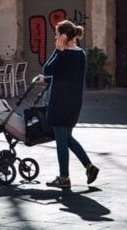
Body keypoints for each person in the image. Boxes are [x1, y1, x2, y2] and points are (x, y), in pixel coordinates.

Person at [36, 20, 99, 188]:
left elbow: (47, 69)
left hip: (60, 102)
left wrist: (58, 50)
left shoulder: (65, 54)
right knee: (66, 138)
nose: (55, 37)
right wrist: (49, 79)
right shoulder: (80, 54)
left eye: (57, 34)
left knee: (61, 141)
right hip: (74, 102)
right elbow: (68, 75)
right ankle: (89, 166)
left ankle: (64, 178)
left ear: (63, 37)